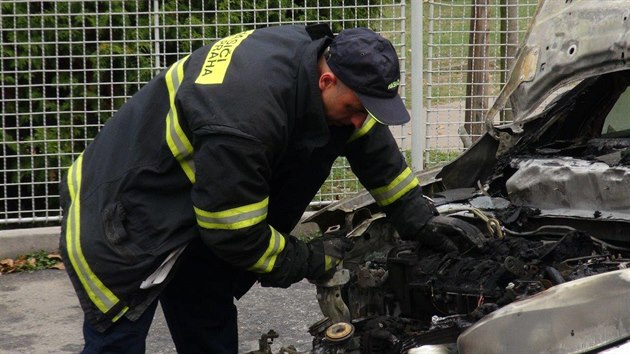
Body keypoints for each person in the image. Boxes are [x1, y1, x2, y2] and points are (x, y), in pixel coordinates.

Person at [59, 23, 460, 353]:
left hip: (193, 208)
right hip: (123, 219)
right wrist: (310, 260)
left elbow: (371, 144)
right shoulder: (246, 117)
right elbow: (235, 233)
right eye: (355, 109)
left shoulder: (321, 64)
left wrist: (419, 217)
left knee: (207, 320)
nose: (359, 121)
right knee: (117, 344)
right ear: (326, 80)